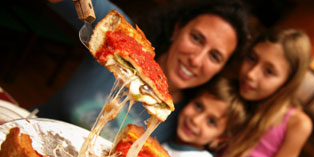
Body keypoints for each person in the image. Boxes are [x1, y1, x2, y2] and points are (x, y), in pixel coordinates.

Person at [36, 0, 249, 142]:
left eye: (214, 57)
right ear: (177, 29)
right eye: (196, 38)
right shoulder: (122, 39)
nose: (196, 59)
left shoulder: (190, 119)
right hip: (28, 130)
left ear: (220, 69)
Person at [217, 28, 313, 157]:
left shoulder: (297, 123)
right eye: (252, 59)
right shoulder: (239, 94)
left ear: (288, 82)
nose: (251, 74)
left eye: (269, 72)